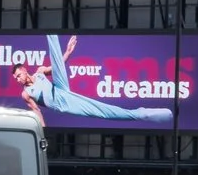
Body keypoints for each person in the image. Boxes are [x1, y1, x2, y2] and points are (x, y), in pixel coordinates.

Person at [14, 34, 174, 123]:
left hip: (60, 87)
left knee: (55, 62)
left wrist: (68, 52)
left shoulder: (40, 72)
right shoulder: (26, 94)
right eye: (15, 78)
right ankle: (140, 114)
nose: (17, 79)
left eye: (18, 75)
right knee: (100, 111)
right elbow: (37, 111)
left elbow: (58, 66)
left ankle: (51, 32)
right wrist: (43, 131)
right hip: (63, 102)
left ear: (24, 70)